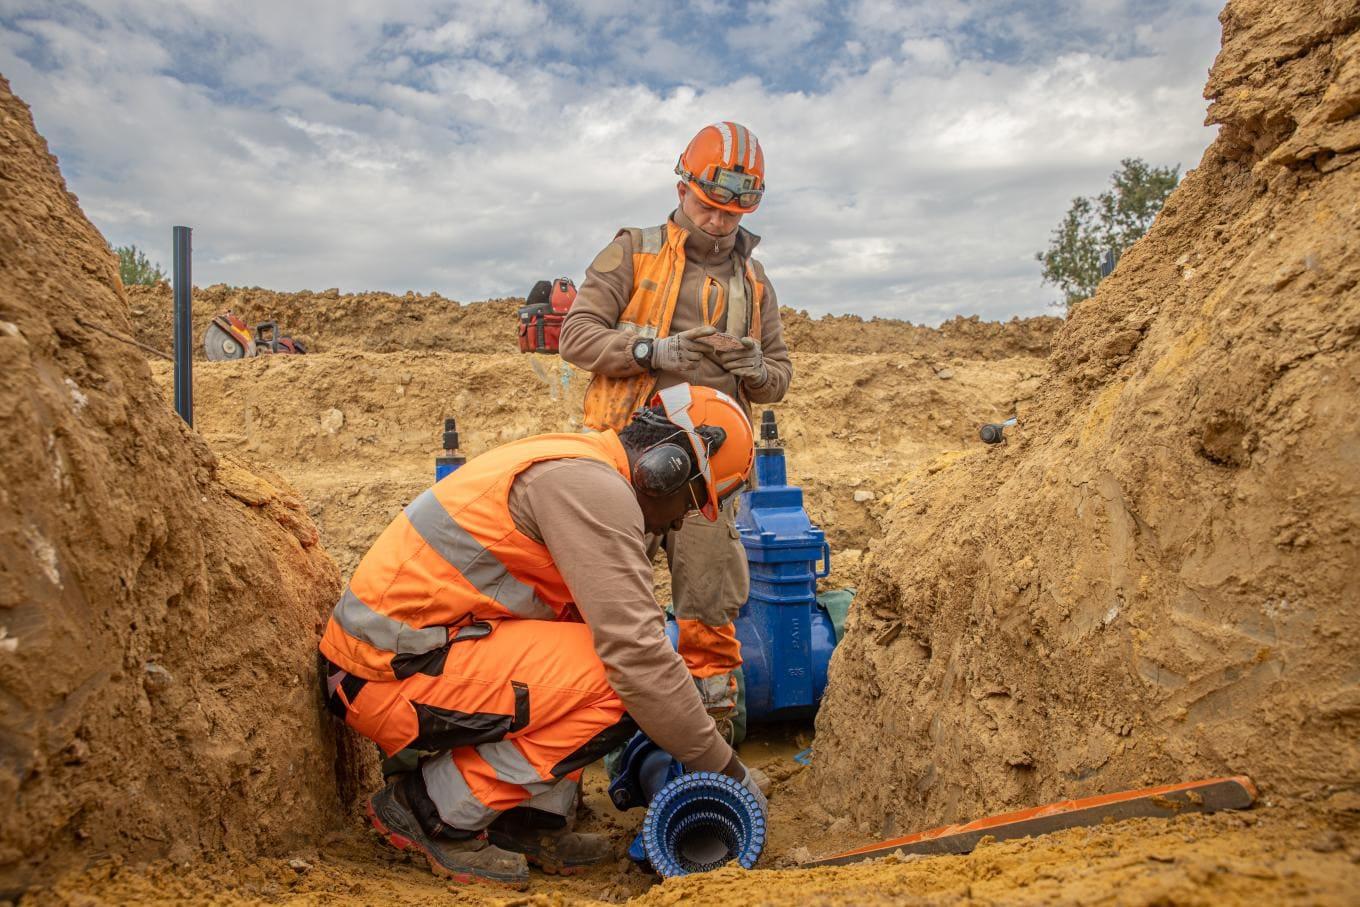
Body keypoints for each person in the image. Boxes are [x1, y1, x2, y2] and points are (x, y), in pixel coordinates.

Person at [318, 384, 766, 889]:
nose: (683, 519)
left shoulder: (587, 470)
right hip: (385, 676)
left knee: (591, 639)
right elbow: (638, 660)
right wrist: (726, 769)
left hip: (404, 659)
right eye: (692, 501)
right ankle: (430, 809)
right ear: (668, 468)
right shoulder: (591, 489)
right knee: (622, 681)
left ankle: (526, 821)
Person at [558, 121, 792, 741]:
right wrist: (650, 351)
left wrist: (758, 369)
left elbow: (781, 377)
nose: (719, 223)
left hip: (710, 477)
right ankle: (581, 747)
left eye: (732, 213)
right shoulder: (633, 250)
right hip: (624, 463)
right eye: (709, 207)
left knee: (710, 610)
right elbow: (575, 336)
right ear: (684, 184)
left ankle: (710, 751)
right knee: (598, 604)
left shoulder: (757, 280)